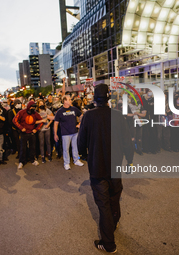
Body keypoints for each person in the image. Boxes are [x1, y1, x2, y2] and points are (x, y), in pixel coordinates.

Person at [78, 84, 134, 253]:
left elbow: (81, 141)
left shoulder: (88, 116)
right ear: (108, 98)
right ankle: (112, 226)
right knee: (114, 200)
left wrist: (84, 156)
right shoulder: (118, 116)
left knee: (104, 205)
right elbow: (127, 141)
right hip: (115, 166)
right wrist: (130, 161)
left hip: (97, 167)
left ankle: (108, 243)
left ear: (94, 98)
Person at [54, 95, 84, 170]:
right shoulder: (60, 111)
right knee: (66, 149)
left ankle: (76, 160)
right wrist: (55, 134)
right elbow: (56, 123)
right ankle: (66, 163)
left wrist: (80, 123)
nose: (71, 101)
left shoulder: (74, 109)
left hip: (74, 132)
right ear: (65, 101)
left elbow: (81, 115)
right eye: (69, 99)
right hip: (65, 133)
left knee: (75, 147)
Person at [13, 101, 43, 169]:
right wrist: (21, 128)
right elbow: (14, 120)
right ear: (29, 106)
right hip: (24, 133)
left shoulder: (35, 113)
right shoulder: (22, 112)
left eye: (34, 107)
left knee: (33, 147)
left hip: (32, 133)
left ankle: (32, 160)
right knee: (23, 148)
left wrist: (36, 129)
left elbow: (41, 121)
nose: (33, 108)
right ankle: (21, 161)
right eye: (32, 107)